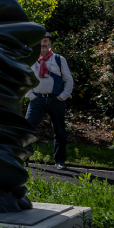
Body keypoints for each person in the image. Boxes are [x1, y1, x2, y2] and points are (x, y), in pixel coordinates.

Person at [25, 32, 74, 170]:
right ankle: (24, 158)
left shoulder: (59, 59)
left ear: (50, 43)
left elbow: (68, 79)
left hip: (56, 100)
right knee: (26, 129)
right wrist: (31, 95)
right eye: (40, 41)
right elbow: (26, 79)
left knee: (59, 132)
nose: (43, 44)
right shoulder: (32, 60)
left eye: (45, 41)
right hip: (37, 100)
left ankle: (60, 161)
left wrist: (62, 96)